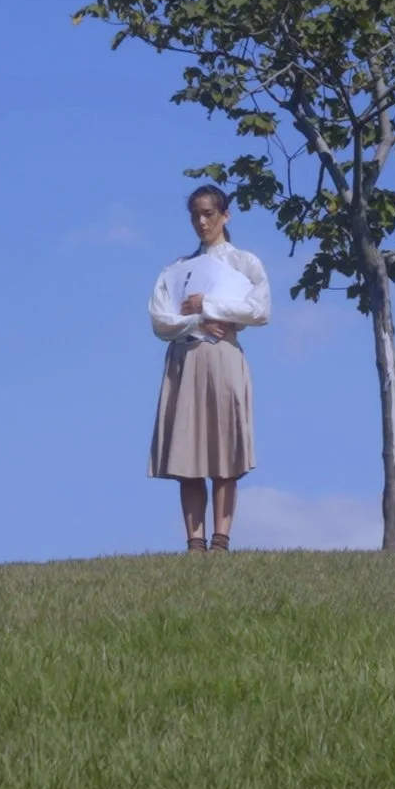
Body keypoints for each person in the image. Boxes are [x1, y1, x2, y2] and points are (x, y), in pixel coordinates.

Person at [147, 184, 269, 551]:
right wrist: (197, 320)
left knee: (224, 450)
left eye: (209, 214)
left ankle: (221, 538)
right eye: (195, 215)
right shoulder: (177, 269)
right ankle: (194, 541)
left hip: (223, 357)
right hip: (185, 357)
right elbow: (160, 320)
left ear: (224, 215)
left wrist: (210, 304)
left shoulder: (244, 263)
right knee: (187, 451)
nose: (202, 222)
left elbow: (260, 310)